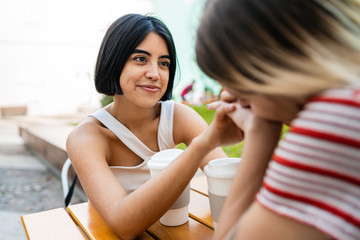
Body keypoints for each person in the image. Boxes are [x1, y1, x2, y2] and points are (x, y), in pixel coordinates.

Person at [192, 0, 360, 239]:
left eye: (241, 93)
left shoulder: (333, 119)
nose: (242, 104)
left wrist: (259, 132)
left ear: (264, 70)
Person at [66, 14, 226, 239]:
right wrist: (201, 146)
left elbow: (229, 179)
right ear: (114, 61)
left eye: (164, 63)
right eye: (141, 59)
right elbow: (125, 226)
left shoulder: (178, 117)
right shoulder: (86, 138)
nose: (154, 74)